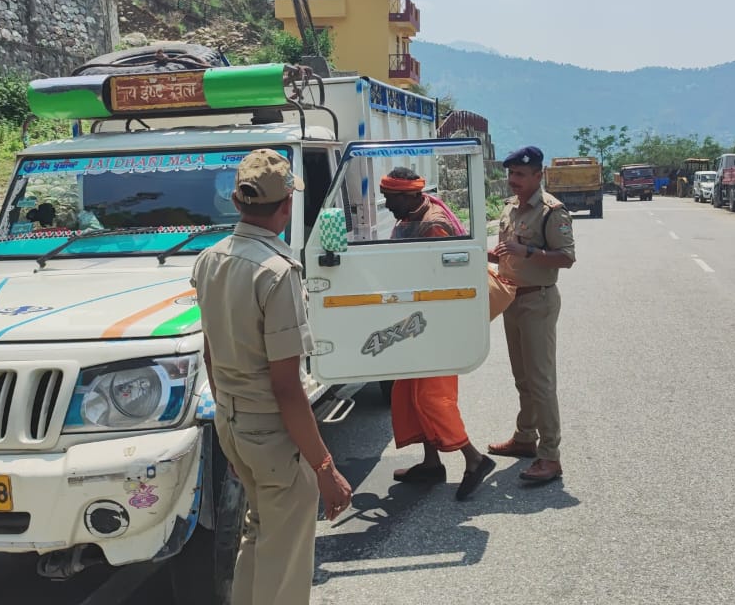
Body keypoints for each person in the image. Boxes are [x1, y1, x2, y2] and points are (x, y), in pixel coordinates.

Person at [191, 148, 352, 605]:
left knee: (259, 536)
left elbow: (209, 351)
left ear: (239, 203)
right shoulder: (277, 272)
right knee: (285, 557)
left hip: (232, 423)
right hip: (271, 432)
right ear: (286, 207)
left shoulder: (209, 259)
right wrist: (325, 467)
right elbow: (286, 387)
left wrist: (232, 412)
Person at [379, 167, 497, 501]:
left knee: (431, 397)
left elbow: (446, 282)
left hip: (438, 327)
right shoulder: (411, 220)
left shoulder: (433, 224)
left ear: (412, 195)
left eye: (391, 198)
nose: (387, 204)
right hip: (418, 324)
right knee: (408, 392)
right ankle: (431, 463)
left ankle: (474, 459)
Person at [487, 146, 576, 484]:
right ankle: (525, 438)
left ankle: (550, 457)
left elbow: (566, 257)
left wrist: (530, 251)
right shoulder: (510, 208)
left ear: (538, 176)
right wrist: (492, 255)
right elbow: (509, 254)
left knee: (540, 382)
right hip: (512, 298)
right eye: (511, 174)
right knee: (522, 378)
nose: (513, 181)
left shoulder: (552, 211)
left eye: (521, 175)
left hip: (538, 302)